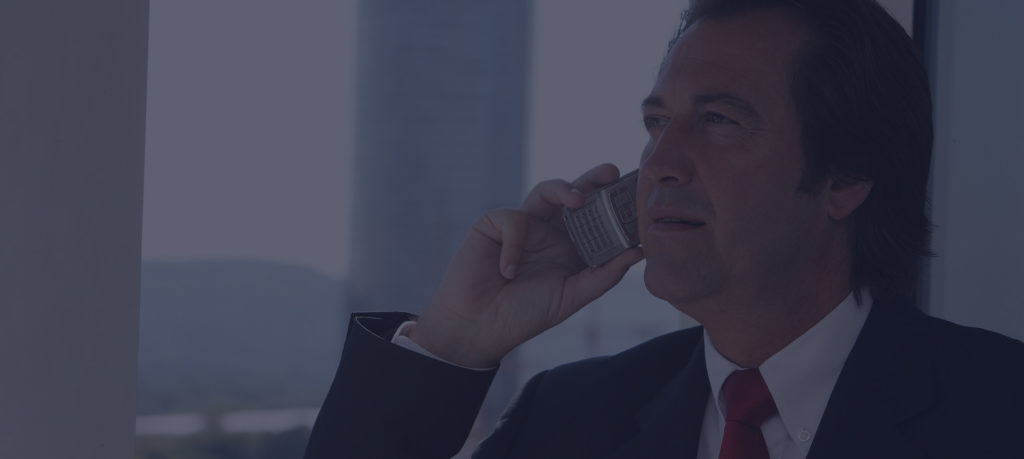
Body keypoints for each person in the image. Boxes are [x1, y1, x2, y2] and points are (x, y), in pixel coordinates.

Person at [305, 0, 1024, 458]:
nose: (659, 163)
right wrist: (452, 344)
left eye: (719, 119)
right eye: (656, 123)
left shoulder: (1000, 410)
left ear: (845, 177)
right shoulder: (568, 419)